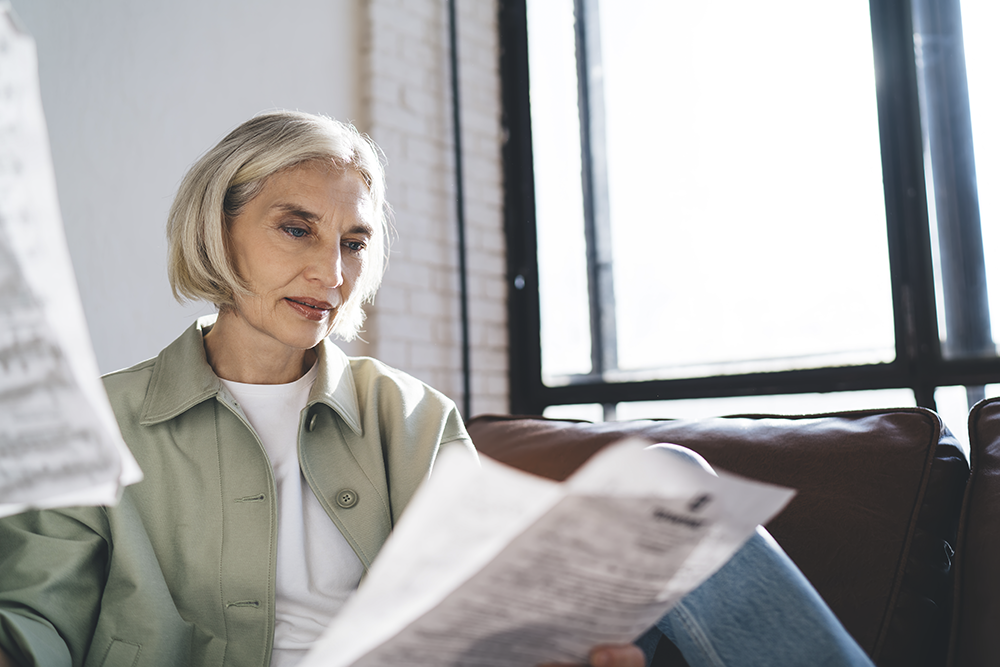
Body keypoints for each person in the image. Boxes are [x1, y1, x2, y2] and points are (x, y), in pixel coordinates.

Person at [0, 111, 871, 667]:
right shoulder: (100, 420)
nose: (329, 270)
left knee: (678, 480)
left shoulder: (408, 416)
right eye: (296, 227)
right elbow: (38, 621)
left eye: (352, 243)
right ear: (215, 227)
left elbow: (471, 613)